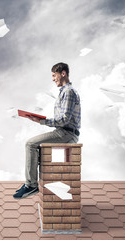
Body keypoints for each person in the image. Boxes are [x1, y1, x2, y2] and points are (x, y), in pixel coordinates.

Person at [13, 62, 81, 199]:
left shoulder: (68, 92)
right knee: (36, 146)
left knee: (30, 144)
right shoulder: (64, 92)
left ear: (63, 73)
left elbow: (64, 119)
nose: (53, 79)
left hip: (66, 133)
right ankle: (32, 183)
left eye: (54, 75)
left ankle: (31, 185)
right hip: (64, 132)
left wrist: (41, 121)